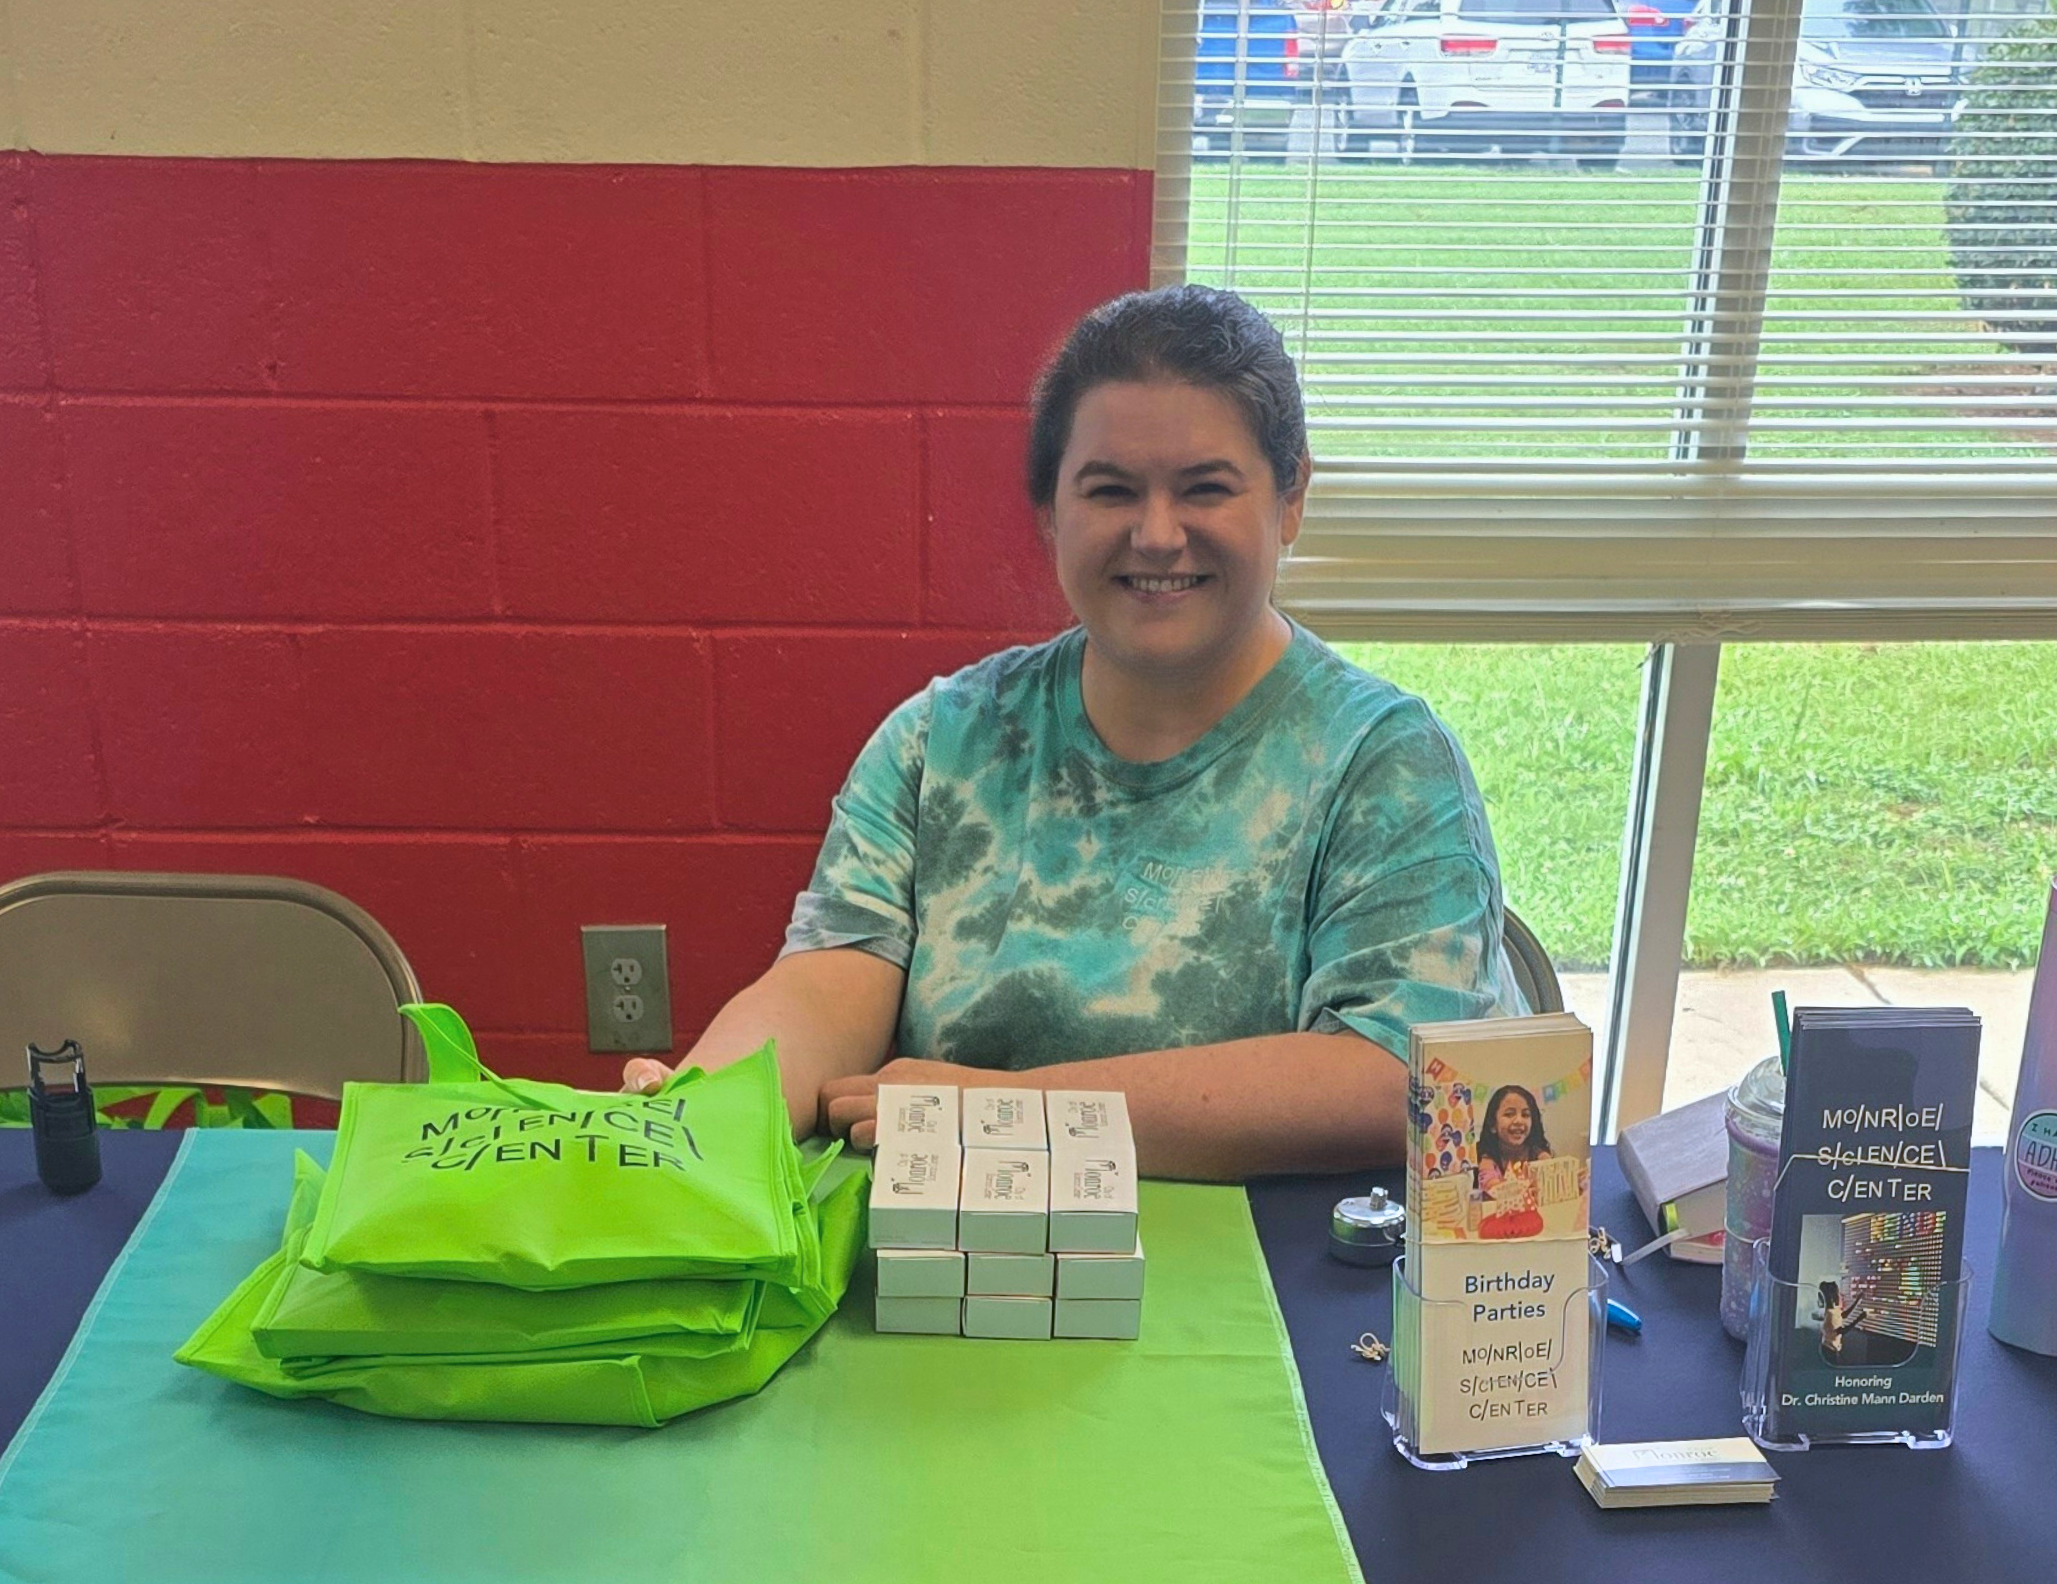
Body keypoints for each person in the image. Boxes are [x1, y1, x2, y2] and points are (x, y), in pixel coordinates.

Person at [623, 283, 1525, 1180]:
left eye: (1206, 488)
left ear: (1290, 500)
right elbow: (831, 982)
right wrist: (708, 1118)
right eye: (1110, 490)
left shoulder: (1385, 764)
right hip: (957, 1269)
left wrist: (1012, 1113)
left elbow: (1396, 1080)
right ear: (1051, 513)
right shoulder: (943, 738)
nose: (1158, 534)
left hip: (1269, 1294)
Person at [1468, 1081, 1552, 1238]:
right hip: (1497, 1232)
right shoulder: (1487, 1159)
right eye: (1509, 1114)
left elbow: (1553, 1182)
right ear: (1493, 1124)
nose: (1519, 1120)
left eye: (1525, 1115)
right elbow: (1493, 1188)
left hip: (1536, 1231)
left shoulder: (1538, 1155)